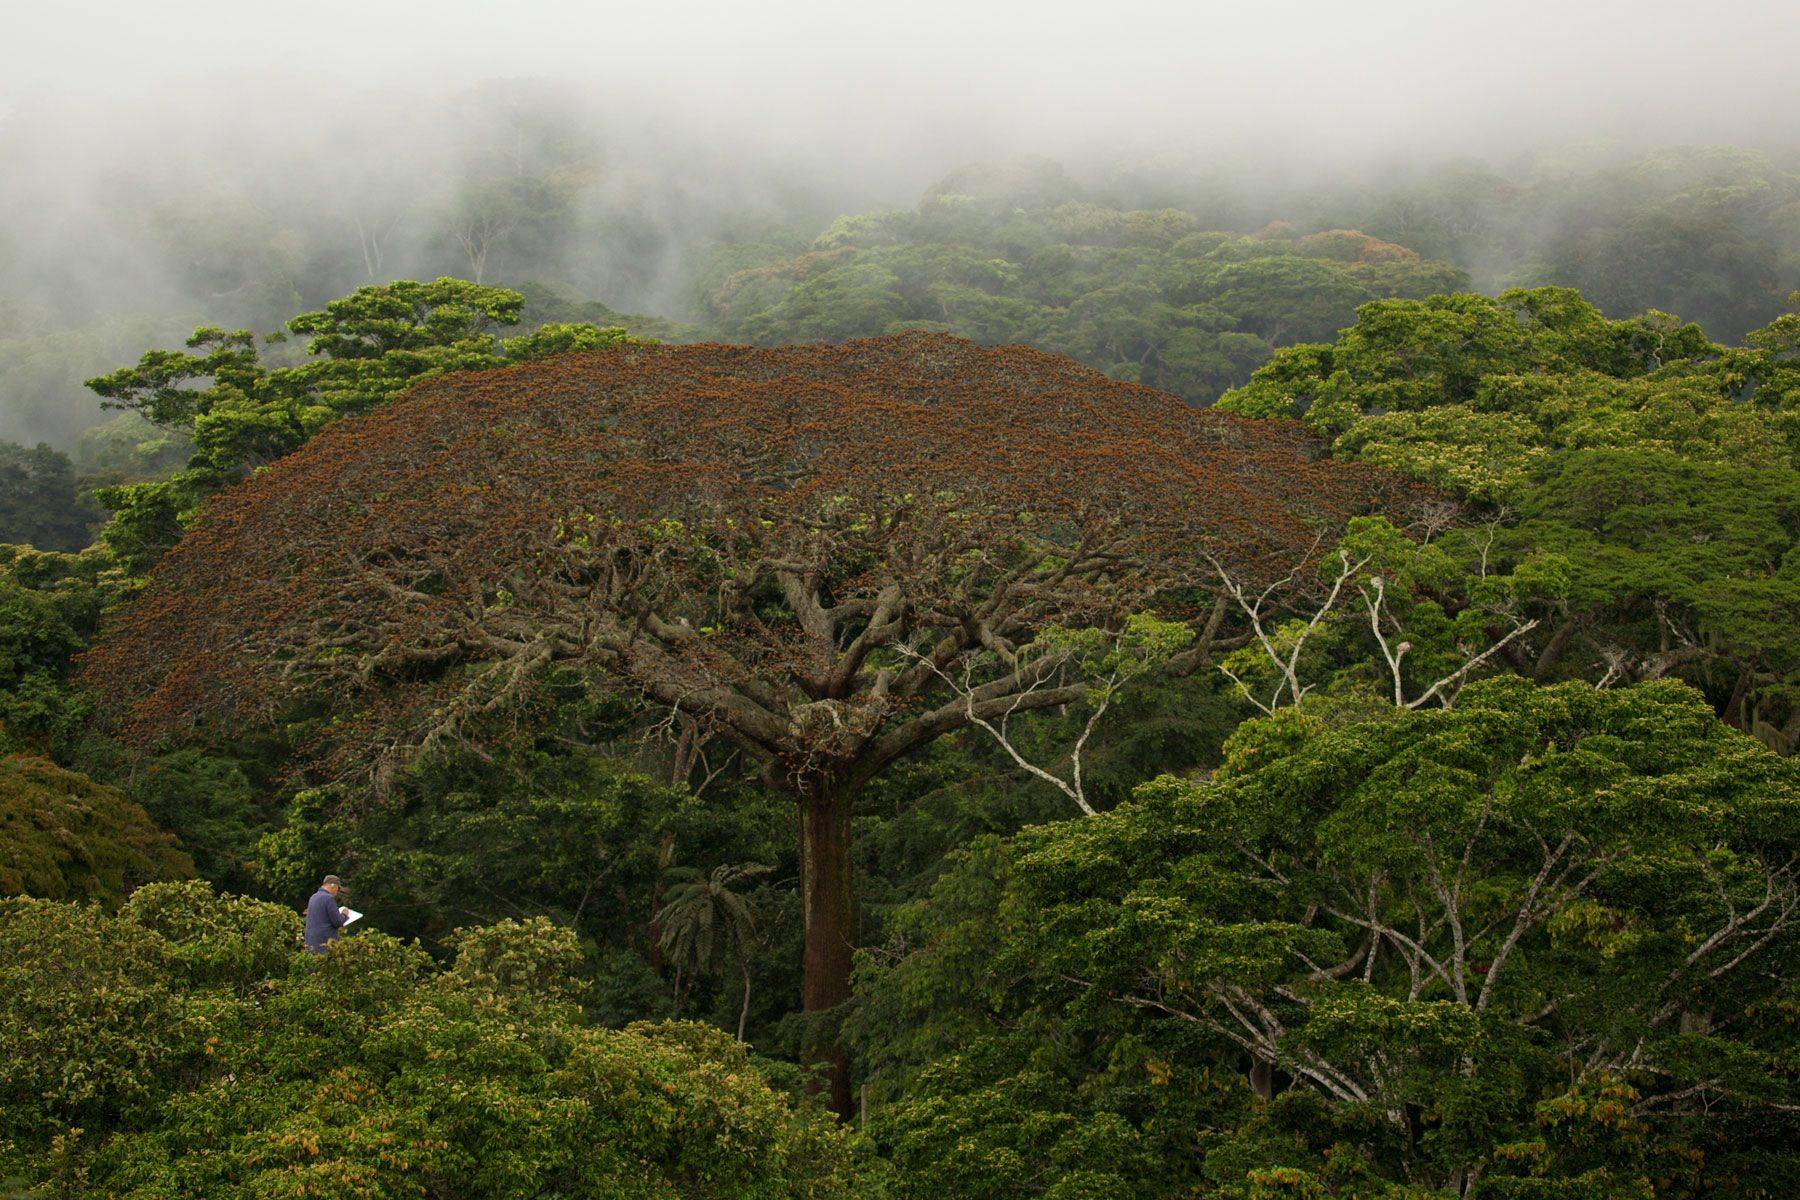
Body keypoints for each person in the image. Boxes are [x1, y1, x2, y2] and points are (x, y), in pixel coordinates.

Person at [304, 874, 350, 953]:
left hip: (311, 944)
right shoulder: (328, 898)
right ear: (333, 886)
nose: (337, 892)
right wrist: (345, 915)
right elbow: (338, 922)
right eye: (338, 888)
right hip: (324, 945)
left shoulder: (313, 897)